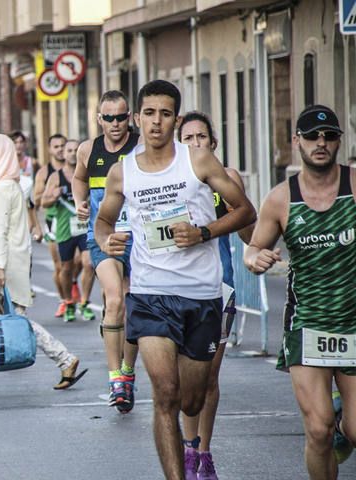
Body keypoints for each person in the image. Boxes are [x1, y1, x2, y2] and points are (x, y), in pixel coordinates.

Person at [94, 80, 256, 479]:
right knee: (165, 394)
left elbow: (245, 211)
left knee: (191, 400)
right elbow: (102, 221)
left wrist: (203, 233)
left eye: (165, 114)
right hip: (150, 294)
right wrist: (107, 240)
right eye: (148, 113)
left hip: (201, 294)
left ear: (175, 119)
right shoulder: (122, 172)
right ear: (136, 118)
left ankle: (193, 442)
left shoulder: (198, 161)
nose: (156, 122)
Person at [245, 104, 356, 480]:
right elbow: (253, 247)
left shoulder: (354, 186)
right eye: (311, 136)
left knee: (354, 430)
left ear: (339, 140)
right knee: (318, 428)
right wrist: (255, 258)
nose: (320, 143)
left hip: (354, 320)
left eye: (328, 136)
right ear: (297, 142)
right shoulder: (280, 198)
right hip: (307, 323)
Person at [0, 133, 87, 394]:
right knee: (15, 319)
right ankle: (65, 360)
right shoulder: (1, 185)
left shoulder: (2, 188)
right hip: (2, 264)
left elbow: (0, 231)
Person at [177, 111, 254, 480]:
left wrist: (257, 246)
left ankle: (200, 453)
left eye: (201, 137)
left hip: (218, 287)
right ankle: (188, 445)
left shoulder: (226, 179)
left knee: (208, 378)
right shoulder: (168, 179)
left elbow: (249, 233)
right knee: (180, 380)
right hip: (172, 289)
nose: (195, 144)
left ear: (213, 142)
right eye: (188, 138)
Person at [72, 89, 141, 412]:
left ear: (131, 117)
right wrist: (79, 202)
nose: (115, 124)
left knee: (130, 304)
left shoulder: (142, 146)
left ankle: (128, 372)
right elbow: (77, 178)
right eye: (109, 118)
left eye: (121, 117)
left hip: (141, 240)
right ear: (99, 119)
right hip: (103, 238)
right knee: (114, 299)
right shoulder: (88, 149)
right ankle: (116, 378)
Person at [41, 139, 95, 322]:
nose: (72, 153)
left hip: (84, 226)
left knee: (89, 263)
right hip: (65, 228)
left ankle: (85, 303)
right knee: (66, 268)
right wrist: (53, 196)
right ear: (64, 154)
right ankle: (68, 301)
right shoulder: (56, 177)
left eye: (75, 150)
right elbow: (43, 202)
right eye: (69, 150)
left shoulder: (88, 173)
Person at [33, 134, 77, 317]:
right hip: (54, 221)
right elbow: (35, 200)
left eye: (62, 146)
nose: (60, 150)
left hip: (75, 220)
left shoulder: (77, 168)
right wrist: (51, 195)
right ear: (50, 150)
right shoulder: (45, 172)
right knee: (60, 265)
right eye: (56, 147)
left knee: (81, 262)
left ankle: (73, 286)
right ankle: (64, 300)